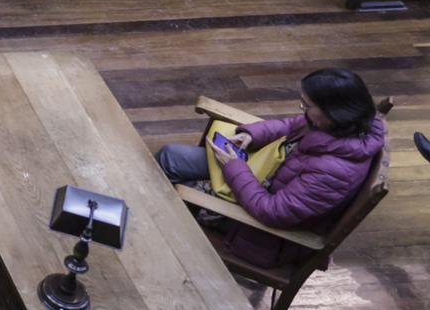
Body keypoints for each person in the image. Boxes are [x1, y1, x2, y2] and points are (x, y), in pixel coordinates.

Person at [157, 68, 386, 263]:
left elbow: (271, 211)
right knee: (170, 157)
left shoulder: (333, 173)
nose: (302, 110)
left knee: (167, 192)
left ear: (334, 112)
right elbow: (290, 125)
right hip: (262, 173)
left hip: (255, 232)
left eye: (307, 105)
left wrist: (234, 167)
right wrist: (251, 135)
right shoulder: (341, 124)